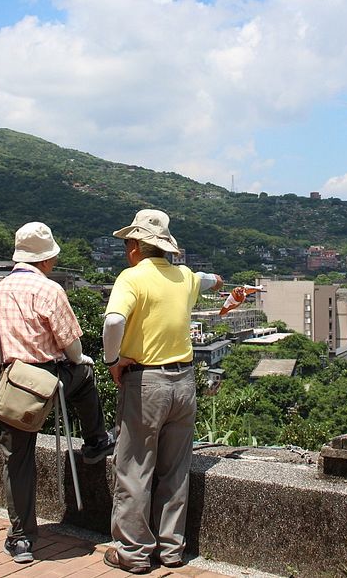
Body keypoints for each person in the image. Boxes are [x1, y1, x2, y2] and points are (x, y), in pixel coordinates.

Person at [0, 222, 116, 564]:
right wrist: (79, 360)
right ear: (44, 259)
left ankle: (20, 538)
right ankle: (96, 442)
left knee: (17, 460)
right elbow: (72, 346)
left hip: (7, 382)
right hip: (45, 381)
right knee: (84, 374)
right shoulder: (49, 289)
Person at [100, 210, 221, 574]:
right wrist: (218, 281)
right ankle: (171, 549)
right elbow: (207, 279)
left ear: (136, 246)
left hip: (146, 382)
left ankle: (134, 552)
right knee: (175, 469)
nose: (126, 249)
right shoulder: (184, 277)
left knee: (135, 468)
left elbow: (114, 320)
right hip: (184, 382)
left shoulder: (132, 277)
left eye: (128, 243)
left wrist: (112, 360)